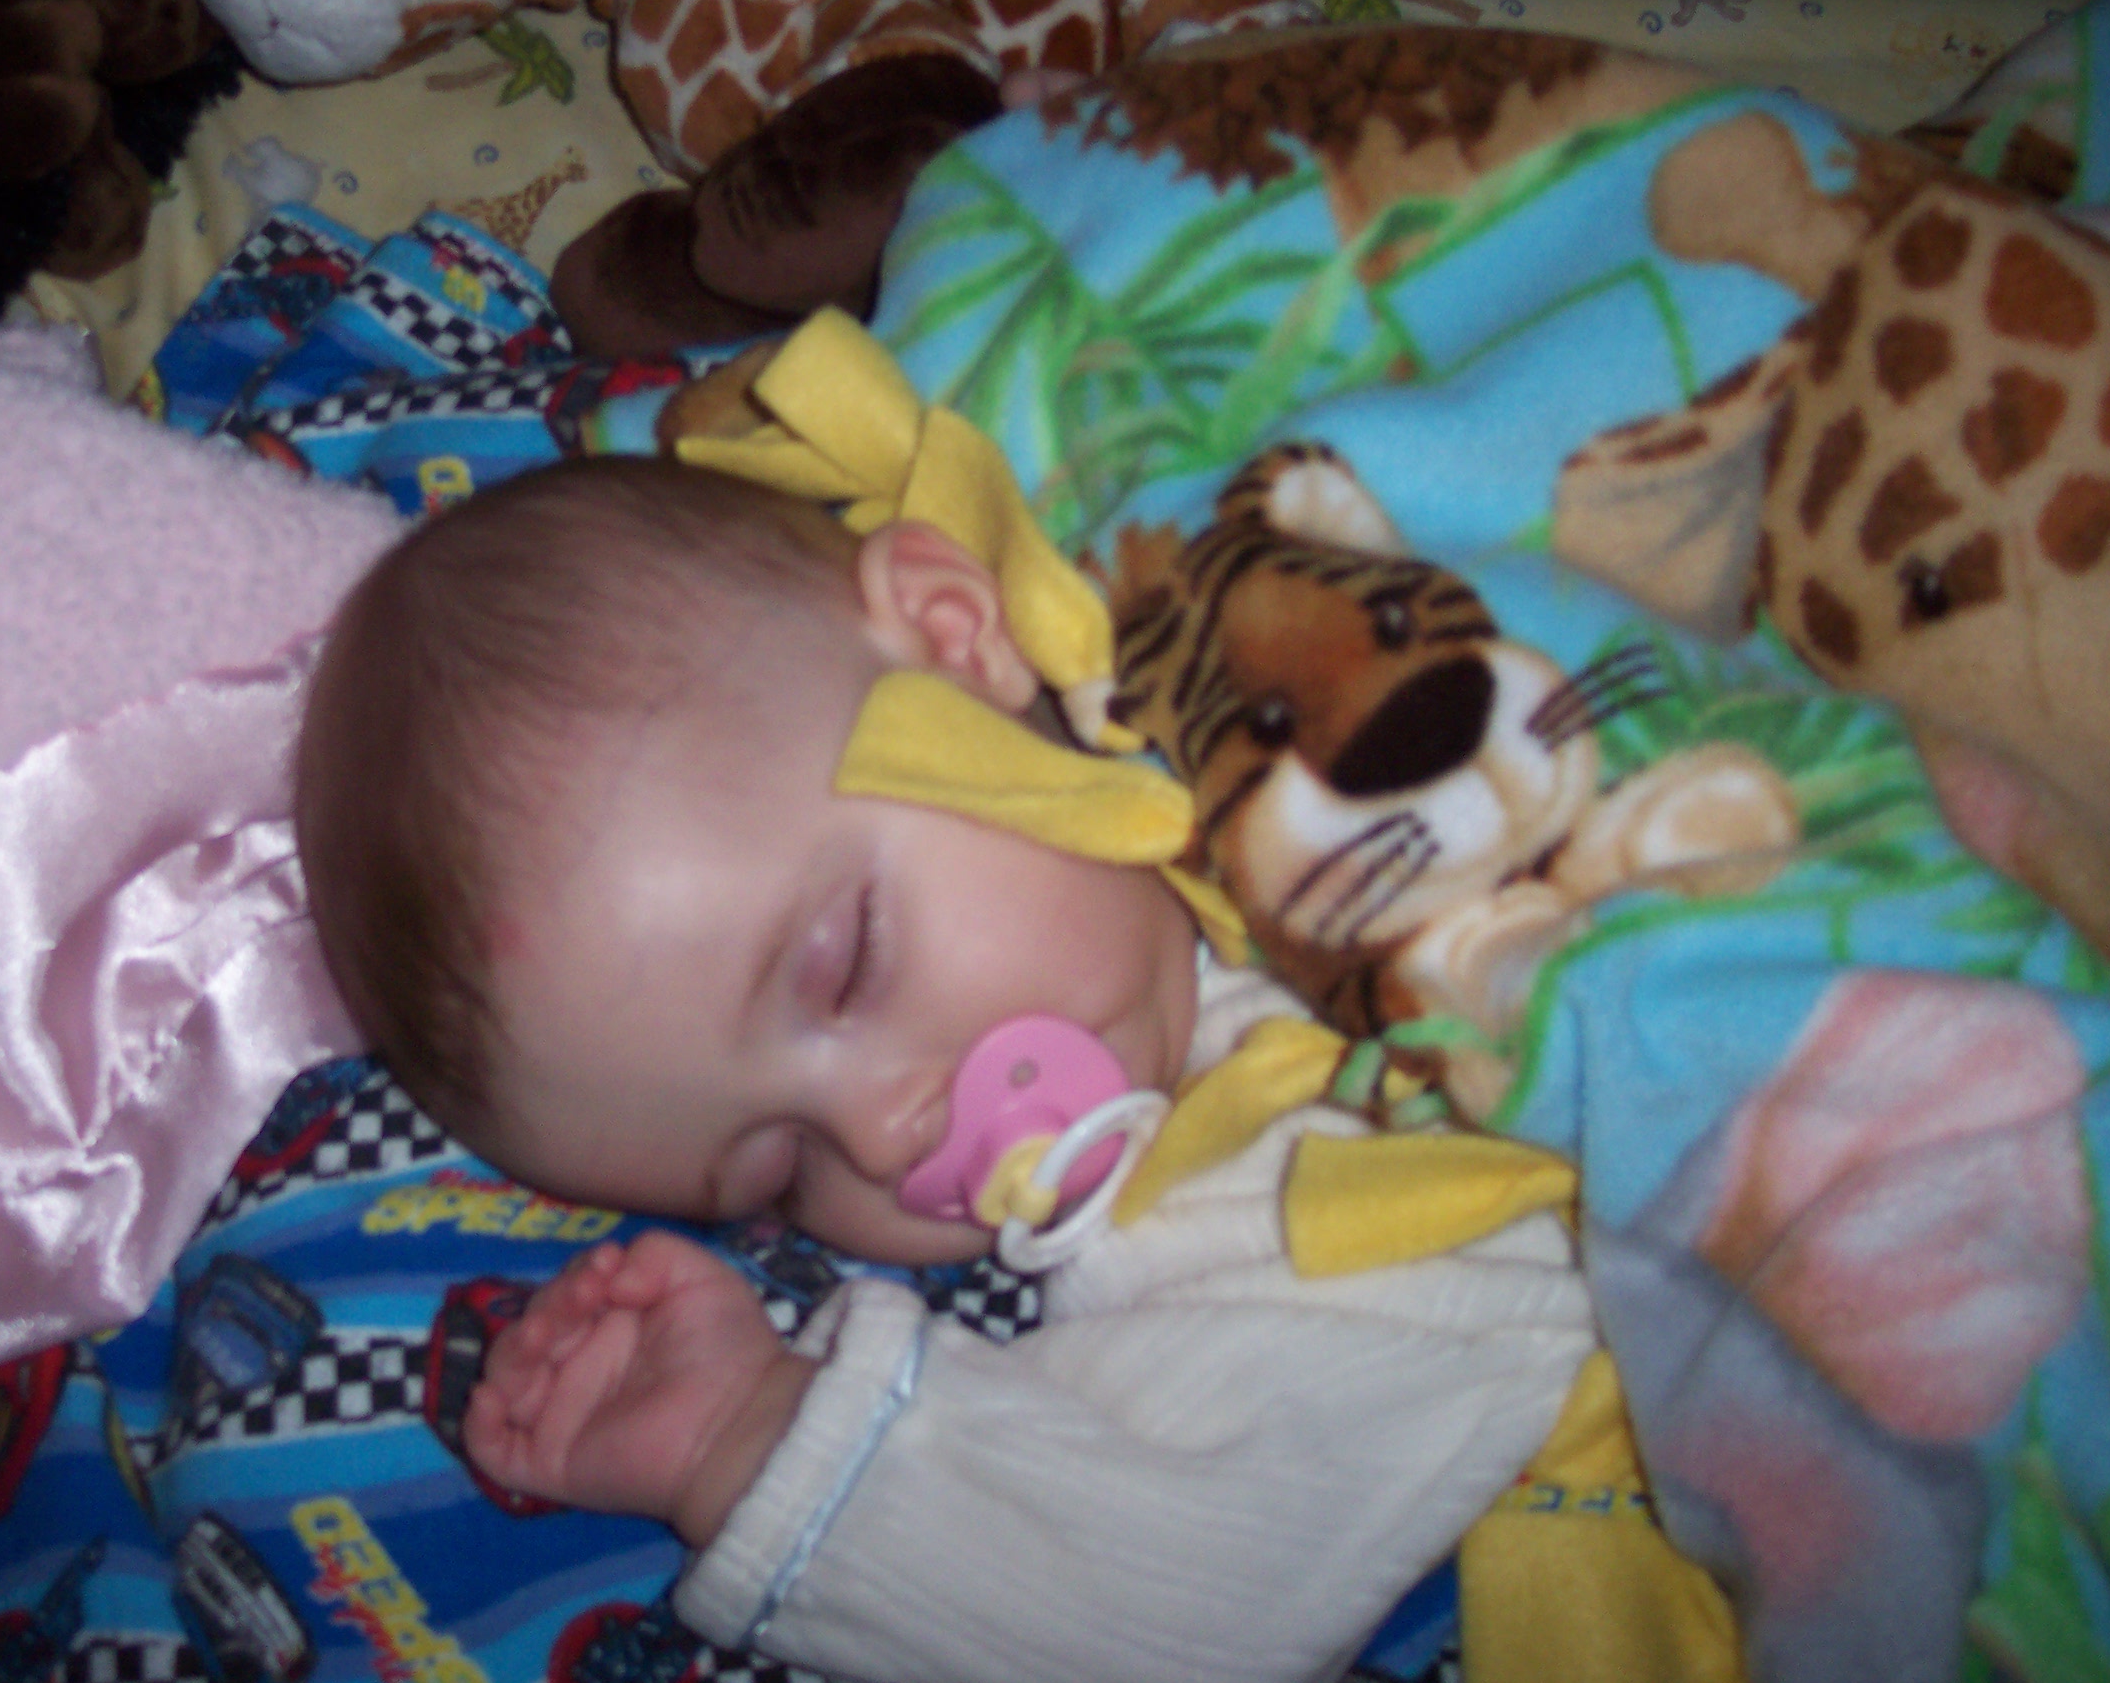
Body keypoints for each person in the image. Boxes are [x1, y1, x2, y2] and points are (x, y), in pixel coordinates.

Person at [295, 449, 1604, 1683]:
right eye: (778, 1172)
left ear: (953, 634)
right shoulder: (1261, 1191)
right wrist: (740, 1441)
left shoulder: (1179, 562)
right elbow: (1184, 1582)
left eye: (844, 965)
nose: (881, 1138)